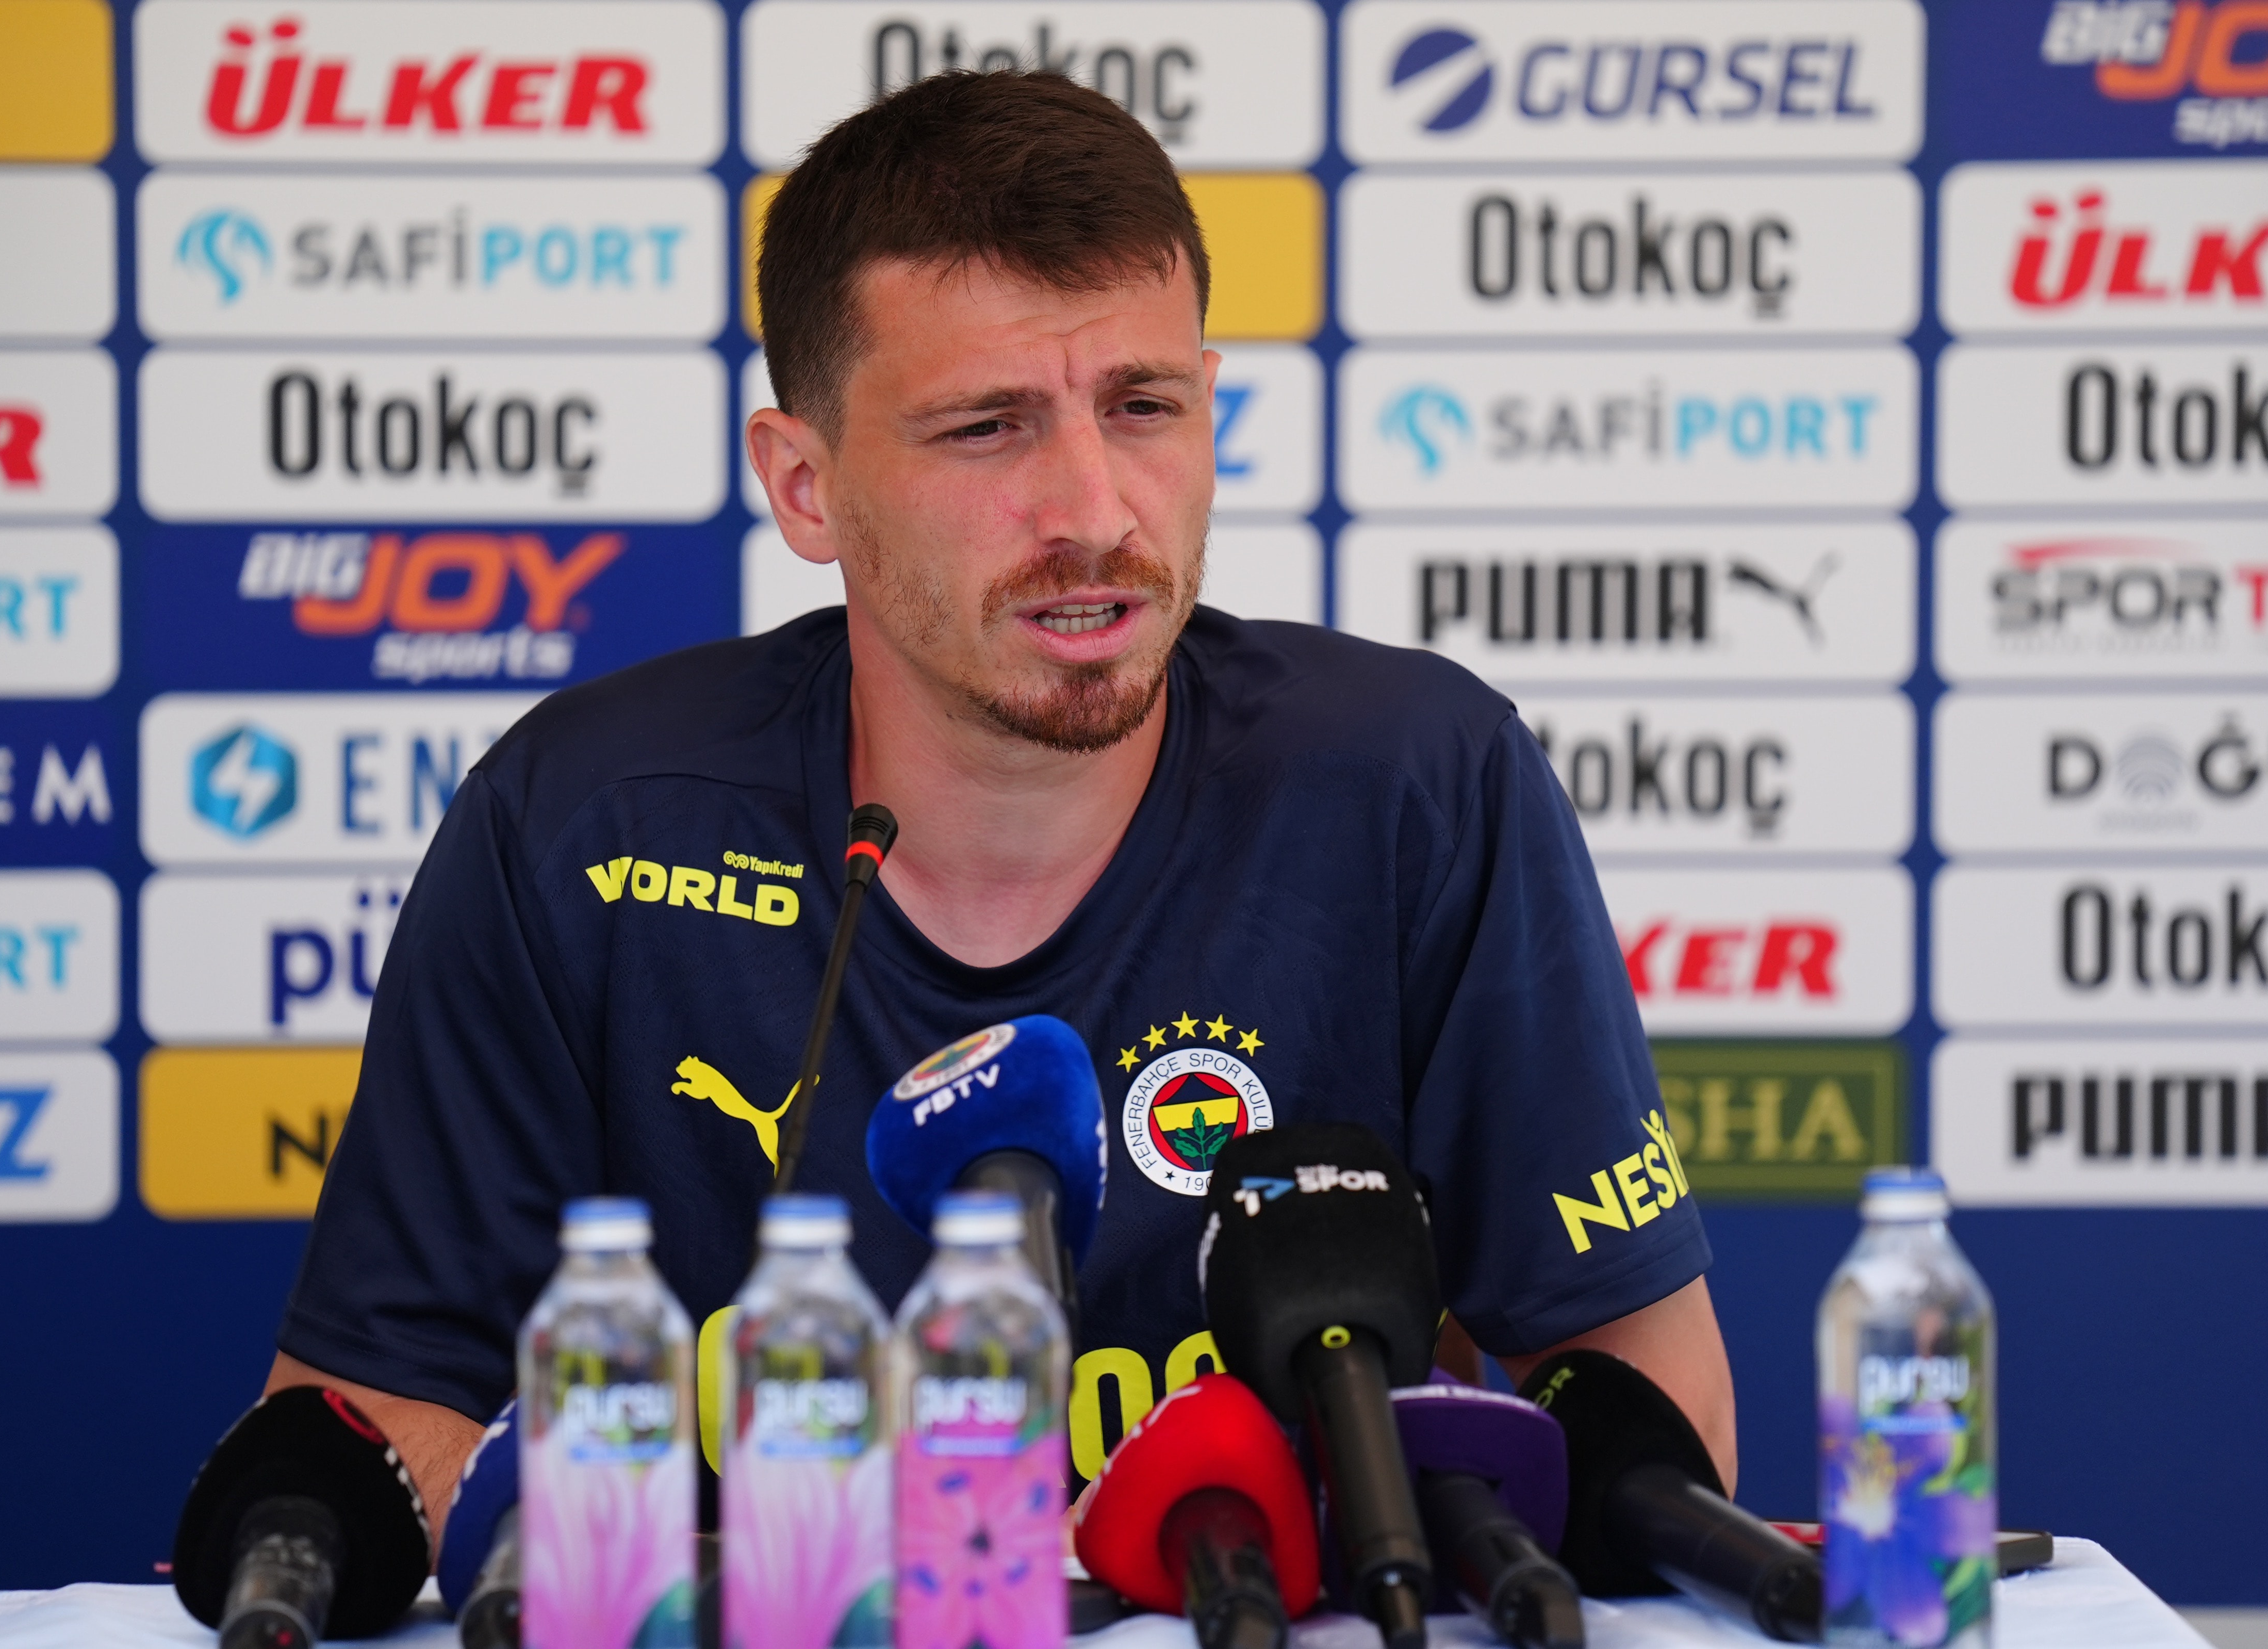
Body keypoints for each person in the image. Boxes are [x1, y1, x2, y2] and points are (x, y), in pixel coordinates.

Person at [263, 70, 1734, 1549]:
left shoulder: (1421, 785)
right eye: (987, 428)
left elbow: (1636, 1395)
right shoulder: (581, 824)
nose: (1094, 511)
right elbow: (376, 1416)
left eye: (1143, 408)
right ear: (806, 486)